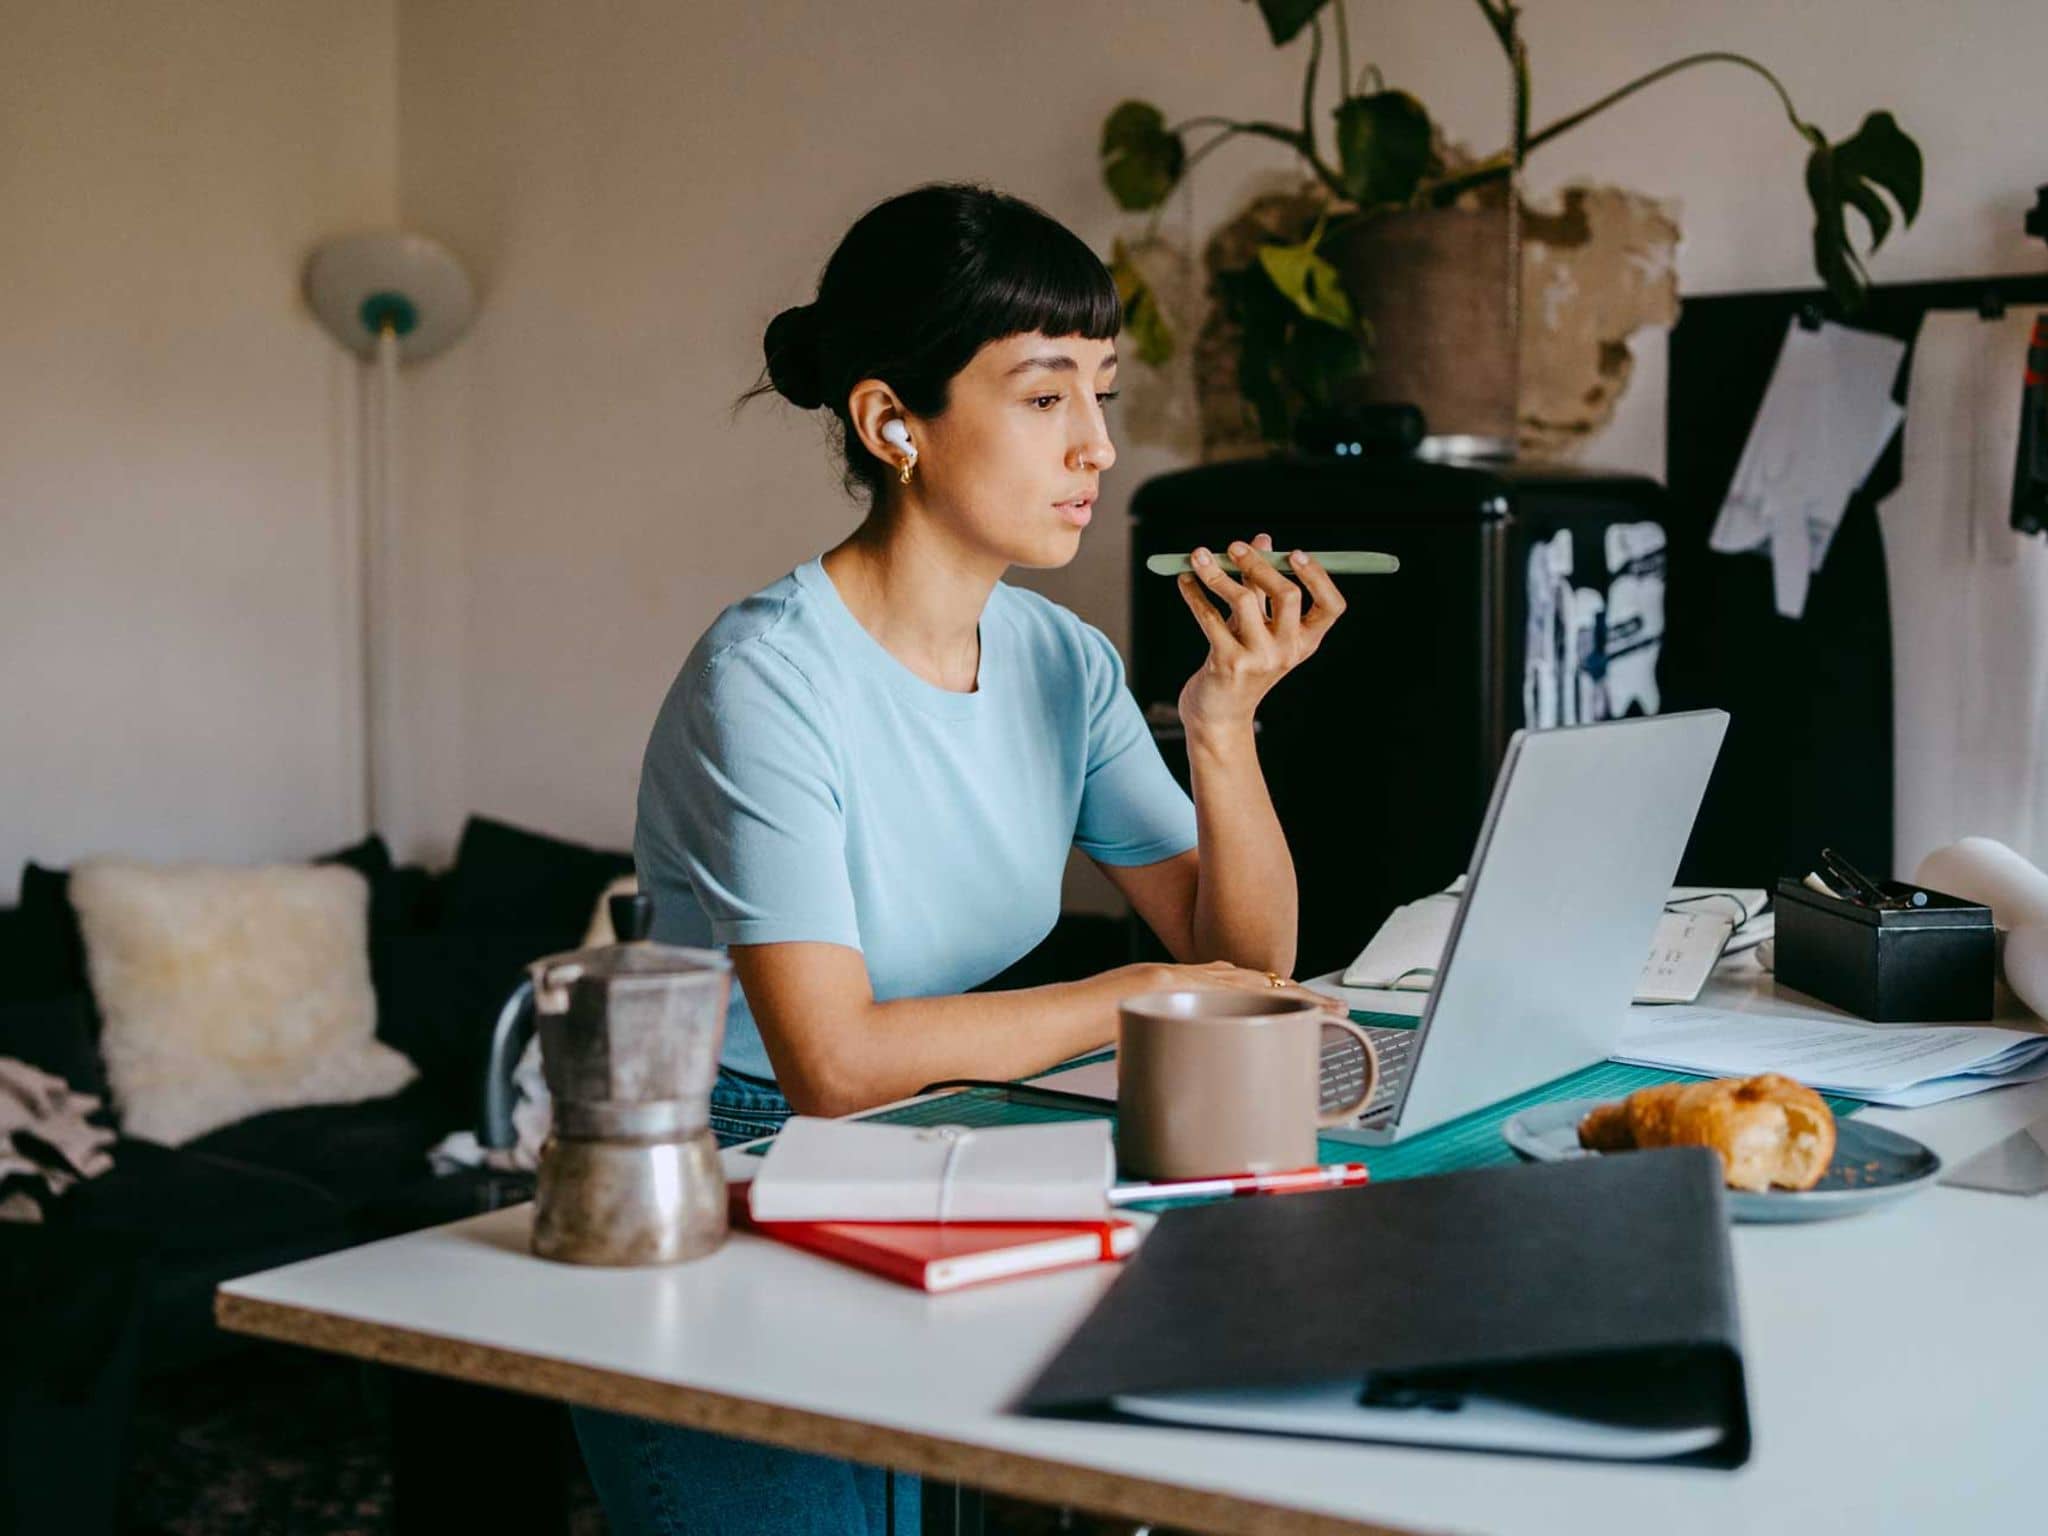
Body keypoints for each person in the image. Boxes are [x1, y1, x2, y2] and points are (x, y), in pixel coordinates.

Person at [572, 181, 1350, 1535]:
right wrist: (1147, 1000)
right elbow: (833, 1060)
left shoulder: (1064, 659)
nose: (1098, 446)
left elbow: (1253, 962)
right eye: (1047, 397)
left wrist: (1224, 723)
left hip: (945, 1148)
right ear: (892, 424)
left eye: (1103, 394)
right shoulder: (768, 678)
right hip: (724, 1174)